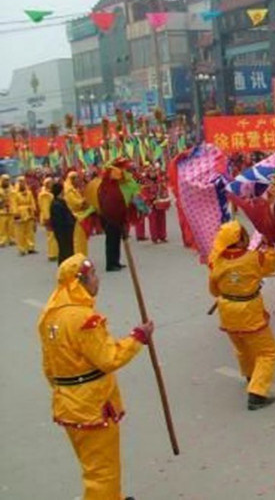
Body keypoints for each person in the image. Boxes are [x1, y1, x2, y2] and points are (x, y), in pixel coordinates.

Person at [37, 254, 152, 500]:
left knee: (94, 465)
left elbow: (48, 367)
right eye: (92, 276)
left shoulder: (49, 315)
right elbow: (108, 358)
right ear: (80, 281)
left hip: (67, 401)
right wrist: (137, 338)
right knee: (102, 472)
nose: (96, 280)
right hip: (91, 404)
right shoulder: (84, 318)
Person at [208, 221, 275, 410]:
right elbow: (271, 265)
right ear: (240, 240)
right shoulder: (255, 258)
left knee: (242, 346)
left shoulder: (217, 261)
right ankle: (257, 393)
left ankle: (250, 375)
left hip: (227, 311)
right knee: (267, 352)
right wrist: (270, 246)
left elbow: (214, 291)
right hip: (249, 310)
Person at [64, 172, 92, 256]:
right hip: (76, 216)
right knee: (78, 239)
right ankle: (79, 256)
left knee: (82, 239)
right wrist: (84, 201)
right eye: (76, 178)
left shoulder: (74, 189)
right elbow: (75, 203)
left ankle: (83, 255)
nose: (78, 180)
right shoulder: (69, 191)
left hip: (81, 216)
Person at [50, 182, 76, 264]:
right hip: (63, 231)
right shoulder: (57, 204)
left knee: (66, 250)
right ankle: (65, 268)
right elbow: (60, 220)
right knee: (65, 250)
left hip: (65, 230)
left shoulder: (59, 202)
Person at [11, 176, 37, 255]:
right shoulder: (14, 193)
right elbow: (13, 204)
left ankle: (31, 247)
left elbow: (32, 201)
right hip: (20, 213)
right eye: (20, 182)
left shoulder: (28, 192)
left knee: (30, 232)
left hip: (29, 213)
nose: (22, 183)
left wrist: (33, 209)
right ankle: (22, 249)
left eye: (23, 182)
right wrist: (16, 214)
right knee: (20, 232)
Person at [38, 177, 58, 261]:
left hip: (54, 216)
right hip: (49, 217)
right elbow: (45, 208)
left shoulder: (50, 193)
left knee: (54, 235)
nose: (52, 183)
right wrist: (48, 218)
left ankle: (55, 252)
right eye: (50, 183)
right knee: (51, 236)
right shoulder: (44, 195)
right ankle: (52, 254)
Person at [0, 174, 13, 247]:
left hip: (10, 210)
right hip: (2, 211)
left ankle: (11, 239)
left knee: (11, 226)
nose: (6, 182)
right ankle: (2, 241)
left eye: (8, 180)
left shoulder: (11, 188)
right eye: (5, 180)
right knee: (2, 227)